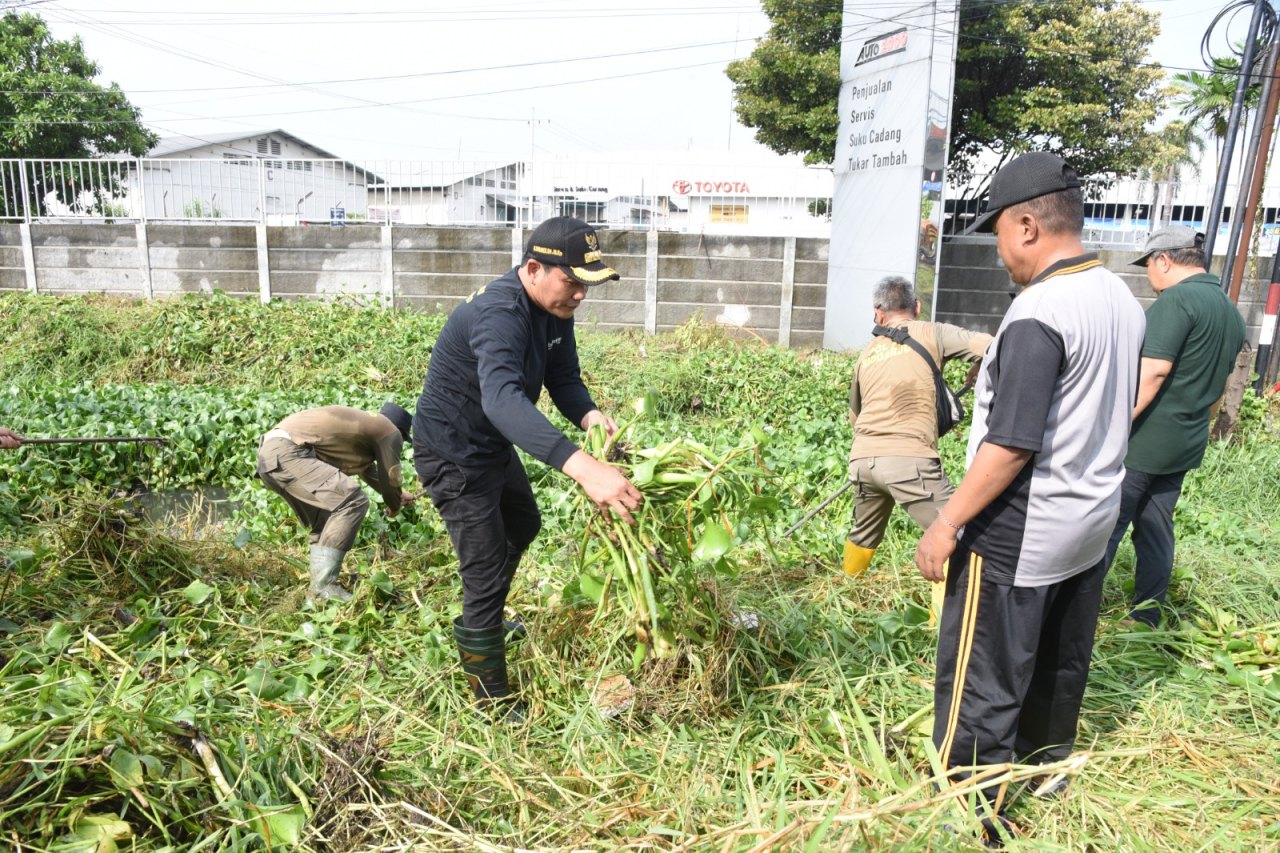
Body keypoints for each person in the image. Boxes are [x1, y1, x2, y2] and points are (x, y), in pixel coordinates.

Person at [914, 152, 1145, 844]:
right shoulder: (1120, 299)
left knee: (984, 671)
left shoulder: (1039, 311)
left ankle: (971, 807)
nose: (998, 252)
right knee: (1058, 656)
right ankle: (1046, 770)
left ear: (1026, 226)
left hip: (1021, 528)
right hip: (1090, 518)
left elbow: (1010, 443)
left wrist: (947, 523)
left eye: (997, 234)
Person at [414, 216, 641, 724]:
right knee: (484, 568)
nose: (580, 295)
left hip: (490, 443)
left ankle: (486, 621)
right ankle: (490, 700)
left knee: (523, 523)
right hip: (453, 450)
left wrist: (589, 415)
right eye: (572, 281)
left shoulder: (554, 308)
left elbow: (563, 377)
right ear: (534, 269)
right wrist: (585, 468)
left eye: (586, 284)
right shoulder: (500, 314)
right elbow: (502, 400)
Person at [1104, 227, 1245, 626]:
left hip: (1143, 443)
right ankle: (1146, 617)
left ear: (1164, 259)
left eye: (1148, 264)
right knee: (1155, 527)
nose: (1149, 274)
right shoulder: (1230, 311)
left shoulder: (1177, 300)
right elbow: (1219, 390)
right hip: (1184, 442)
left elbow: (1152, 372)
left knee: (1105, 527)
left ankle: (1072, 615)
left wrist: (1112, 427)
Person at [844, 276, 990, 618]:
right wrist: (980, 362)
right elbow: (995, 345)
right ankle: (943, 626)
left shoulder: (866, 354)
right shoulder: (932, 332)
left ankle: (845, 600)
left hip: (862, 461)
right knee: (958, 532)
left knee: (863, 534)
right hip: (910, 462)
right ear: (917, 308)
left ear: (879, 314)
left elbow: (855, 416)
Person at [257, 403, 415, 602]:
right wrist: (395, 505)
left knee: (325, 521)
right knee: (353, 501)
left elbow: (368, 471)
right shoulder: (390, 432)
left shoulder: (365, 428)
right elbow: (391, 476)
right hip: (289, 453)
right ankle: (324, 587)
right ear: (401, 432)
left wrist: (398, 495)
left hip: (270, 455)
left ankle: (317, 593)